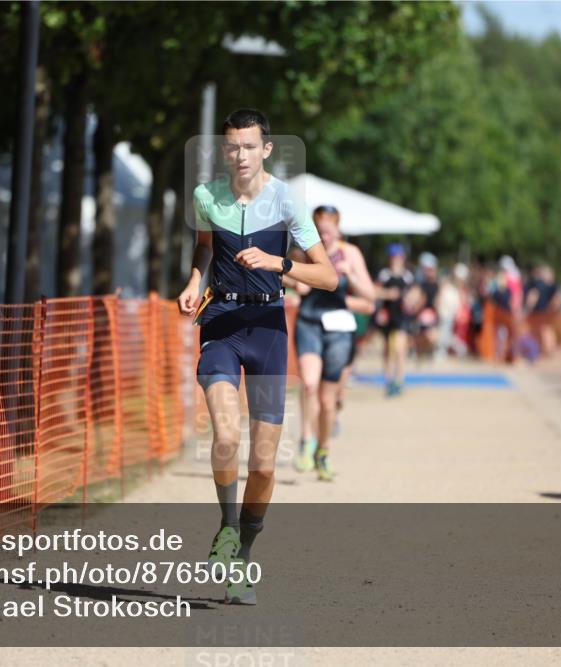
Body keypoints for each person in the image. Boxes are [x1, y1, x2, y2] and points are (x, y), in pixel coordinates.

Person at [177, 109, 337, 604]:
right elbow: (205, 249)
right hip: (221, 323)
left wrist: (279, 263)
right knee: (226, 435)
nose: (241, 155)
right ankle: (227, 528)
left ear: (266, 149)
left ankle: (242, 556)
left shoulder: (286, 201)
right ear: (224, 150)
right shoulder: (206, 196)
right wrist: (194, 281)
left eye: (249, 146)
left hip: (268, 328)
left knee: (264, 466)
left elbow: (328, 277)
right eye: (233, 146)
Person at [289, 205, 375, 481]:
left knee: (329, 401)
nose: (323, 237)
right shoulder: (306, 251)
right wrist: (296, 281)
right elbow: (290, 280)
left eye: (328, 232)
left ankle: (323, 451)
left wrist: (349, 276)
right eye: (319, 231)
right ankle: (306, 440)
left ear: (338, 230)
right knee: (309, 384)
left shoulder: (350, 253)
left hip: (338, 329)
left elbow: (369, 298)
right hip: (309, 323)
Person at [374, 243, 412, 396]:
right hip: (387, 316)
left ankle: (399, 381)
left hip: (401, 317)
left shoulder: (407, 276)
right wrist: (388, 294)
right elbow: (374, 291)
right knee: (388, 350)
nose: (395, 260)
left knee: (400, 349)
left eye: (398, 257)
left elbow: (415, 293)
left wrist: (410, 301)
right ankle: (388, 380)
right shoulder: (384, 274)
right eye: (393, 257)